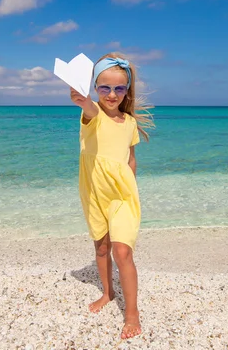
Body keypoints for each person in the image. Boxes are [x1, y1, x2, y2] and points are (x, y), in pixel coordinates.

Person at [69, 52, 153, 339]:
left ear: (126, 90)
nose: (112, 94)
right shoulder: (91, 115)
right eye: (104, 87)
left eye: (119, 88)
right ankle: (108, 293)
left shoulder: (129, 123)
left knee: (122, 251)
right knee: (102, 248)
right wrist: (80, 98)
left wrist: (131, 182)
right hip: (94, 192)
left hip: (122, 195)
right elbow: (87, 107)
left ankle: (132, 313)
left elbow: (130, 158)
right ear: (95, 88)